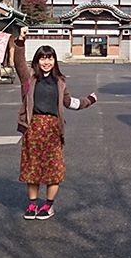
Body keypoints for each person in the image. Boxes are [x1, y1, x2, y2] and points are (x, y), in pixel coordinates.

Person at [13, 25, 97, 220]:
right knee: (32, 169)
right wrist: (21, 40)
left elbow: (70, 103)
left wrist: (89, 100)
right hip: (33, 128)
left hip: (53, 130)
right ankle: (33, 205)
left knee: (53, 170)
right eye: (43, 58)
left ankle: (48, 206)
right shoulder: (29, 79)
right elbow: (18, 63)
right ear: (37, 60)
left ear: (54, 61)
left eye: (50, 58)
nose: (46, 62)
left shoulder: (60, 82)